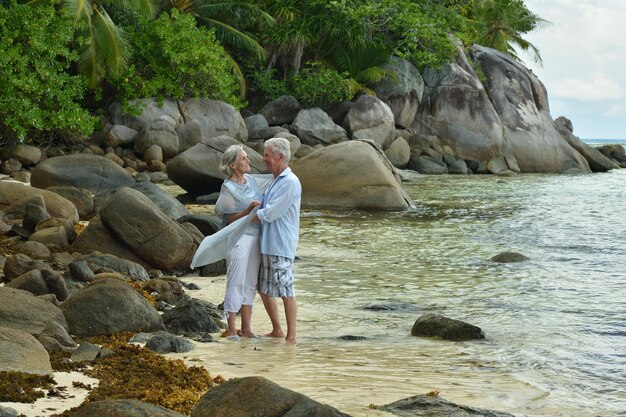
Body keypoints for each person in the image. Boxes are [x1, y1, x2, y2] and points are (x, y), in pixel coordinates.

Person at [252, 137, 302, 345]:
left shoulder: (290, 182)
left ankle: (291, 336)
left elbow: (274, 211)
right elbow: (268, 204)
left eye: (267, 155)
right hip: (267, 242)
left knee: (286, 290)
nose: (264, 159)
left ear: (280, 157)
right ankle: (277, 330)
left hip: (280, 244)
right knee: (263, 289)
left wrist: (256, 215)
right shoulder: (274, 181)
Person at [214, 144, 263, 341]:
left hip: (256, 237)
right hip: (238, 238)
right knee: (236, 282)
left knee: (250, 282)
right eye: (243, 158)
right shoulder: (228, 187)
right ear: (233, 165)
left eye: (246, 157)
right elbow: (227, 219)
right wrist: (247, 211)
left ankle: (247, 329)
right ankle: (232, 329)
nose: (248, 160)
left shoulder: (251, 180)